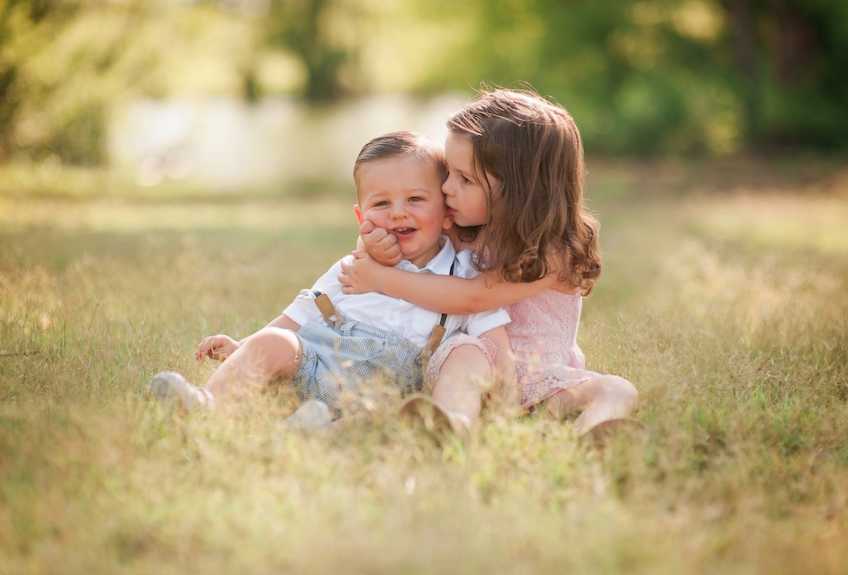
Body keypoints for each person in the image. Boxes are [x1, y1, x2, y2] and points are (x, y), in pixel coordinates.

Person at [149, 131, 511, 431]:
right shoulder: (352, 266)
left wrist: (509, 396)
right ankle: (207, 407)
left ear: (447, 214)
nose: (398, 212)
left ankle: (304, 430)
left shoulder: (464, 273)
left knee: (368, 420)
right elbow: (304, 309)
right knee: (273, 341)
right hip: (315, 363)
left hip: (382, 389)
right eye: (381, 204)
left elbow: (490, 333)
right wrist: (243, 344)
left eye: (416, 199)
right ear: (361, 216)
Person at [338, 89, 638, 441]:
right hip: (476, 370)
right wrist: (373, 245)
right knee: (465, 352)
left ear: (519, 189)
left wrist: (381, 279)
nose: (446, 188)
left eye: (465, 180)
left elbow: (474, 298)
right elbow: (391, 233)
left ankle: (593, 433)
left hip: (545, 383)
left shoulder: (555, 253)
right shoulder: (465, 230)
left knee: (619, 387)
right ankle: (453, 424)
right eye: (449, 172)